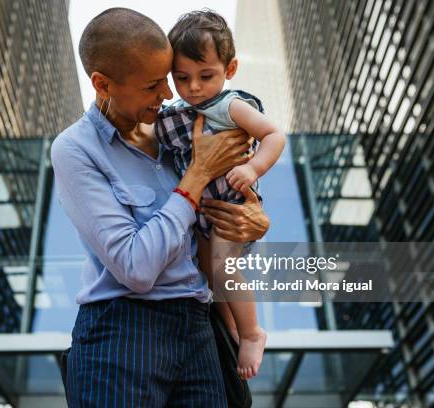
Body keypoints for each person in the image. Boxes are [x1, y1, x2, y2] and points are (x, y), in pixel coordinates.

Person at [51, 7, 269, 407]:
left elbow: (212, 236)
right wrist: (198, 173)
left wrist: (250, 226)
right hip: (122, 332)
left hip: (198, 327)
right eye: (154, 85)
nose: (169, 94)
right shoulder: (75, 150)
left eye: (169, 80)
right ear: (102, 84)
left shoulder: (179, 133)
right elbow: (135, 267)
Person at [155, 9, 286, 380]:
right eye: (182, 78)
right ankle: (232, 330)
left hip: (229, 204)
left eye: (205, 76)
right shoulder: (179, 113)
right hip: (202, 211)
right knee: (214, 277)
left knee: (224, 270)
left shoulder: (230, 105)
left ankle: (251, 332)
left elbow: (274, 136)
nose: (193, 87)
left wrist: (253, 168)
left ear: (229, 70)